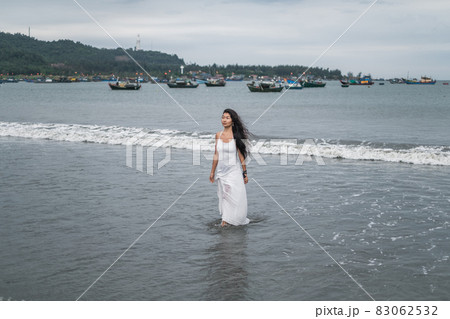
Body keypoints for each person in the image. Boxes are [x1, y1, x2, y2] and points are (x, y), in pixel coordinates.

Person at [210, 109, 250, 227]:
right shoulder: (218, 135)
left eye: (227, 117)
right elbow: (216, 154)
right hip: (222, 172)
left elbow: (241, 156)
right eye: (223, 117)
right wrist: (212, 172)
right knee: (225, 196)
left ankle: (230, 220)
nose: (224, 120)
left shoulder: (236, 136)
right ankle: (226, 219)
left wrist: (245, 173)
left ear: (232, 120)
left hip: (234, 171)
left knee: (234, 195)